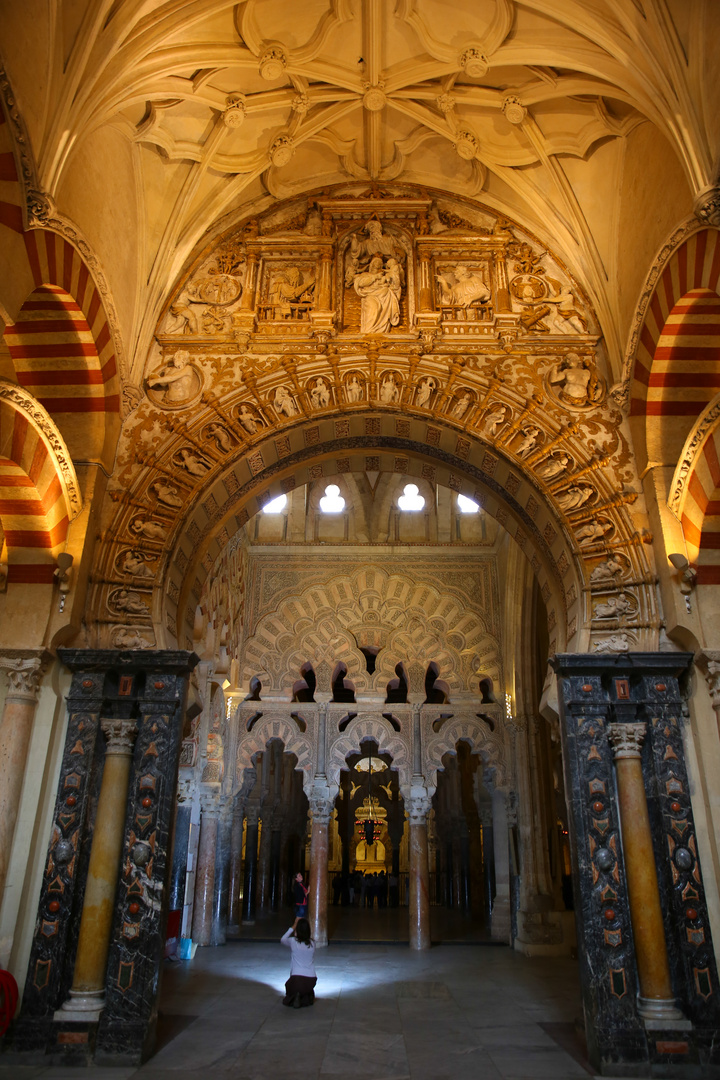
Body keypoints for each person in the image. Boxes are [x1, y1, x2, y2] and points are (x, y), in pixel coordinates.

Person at [280, 918, 317, 1008]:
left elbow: (283, 939)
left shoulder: (293, 942)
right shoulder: (312, 943)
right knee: (306, 990)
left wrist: (293, 927)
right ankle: (306, 997)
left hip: (296, 979)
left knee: (290, 988)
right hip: (311, 979)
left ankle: (297, 995)